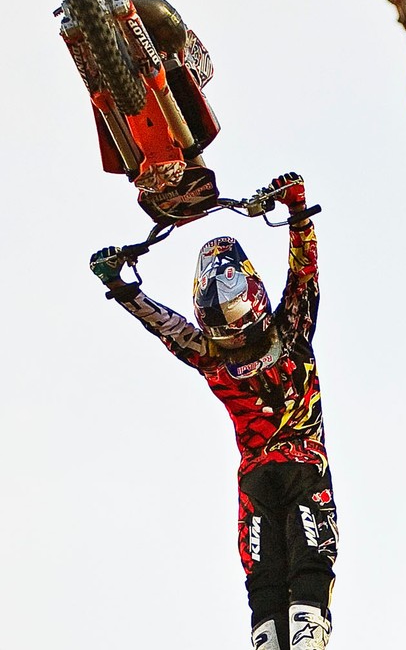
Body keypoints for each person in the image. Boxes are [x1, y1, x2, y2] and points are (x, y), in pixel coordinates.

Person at [89, 172, 336, 650]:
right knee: (306, 557)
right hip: (303, 466)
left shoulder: (211, 355)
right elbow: (305, 273)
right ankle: (303, 634)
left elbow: (165, 325)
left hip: (256, 479)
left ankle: (275, 637)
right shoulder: (290, 329)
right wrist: (296, 207)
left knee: (264, 576)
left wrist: (120, 284)